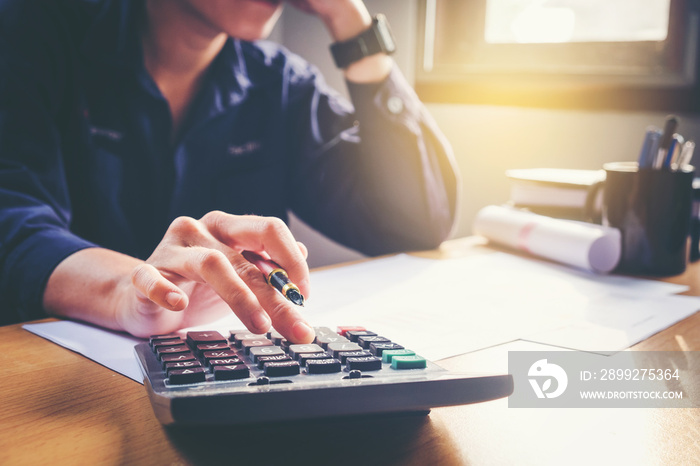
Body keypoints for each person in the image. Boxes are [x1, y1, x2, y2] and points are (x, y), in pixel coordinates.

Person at [0, 0, 459, 343]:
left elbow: (416, 221)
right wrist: (131, 289)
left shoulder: (279, 85)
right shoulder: (33, 30)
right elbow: (12, 218)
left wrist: (352, 22)